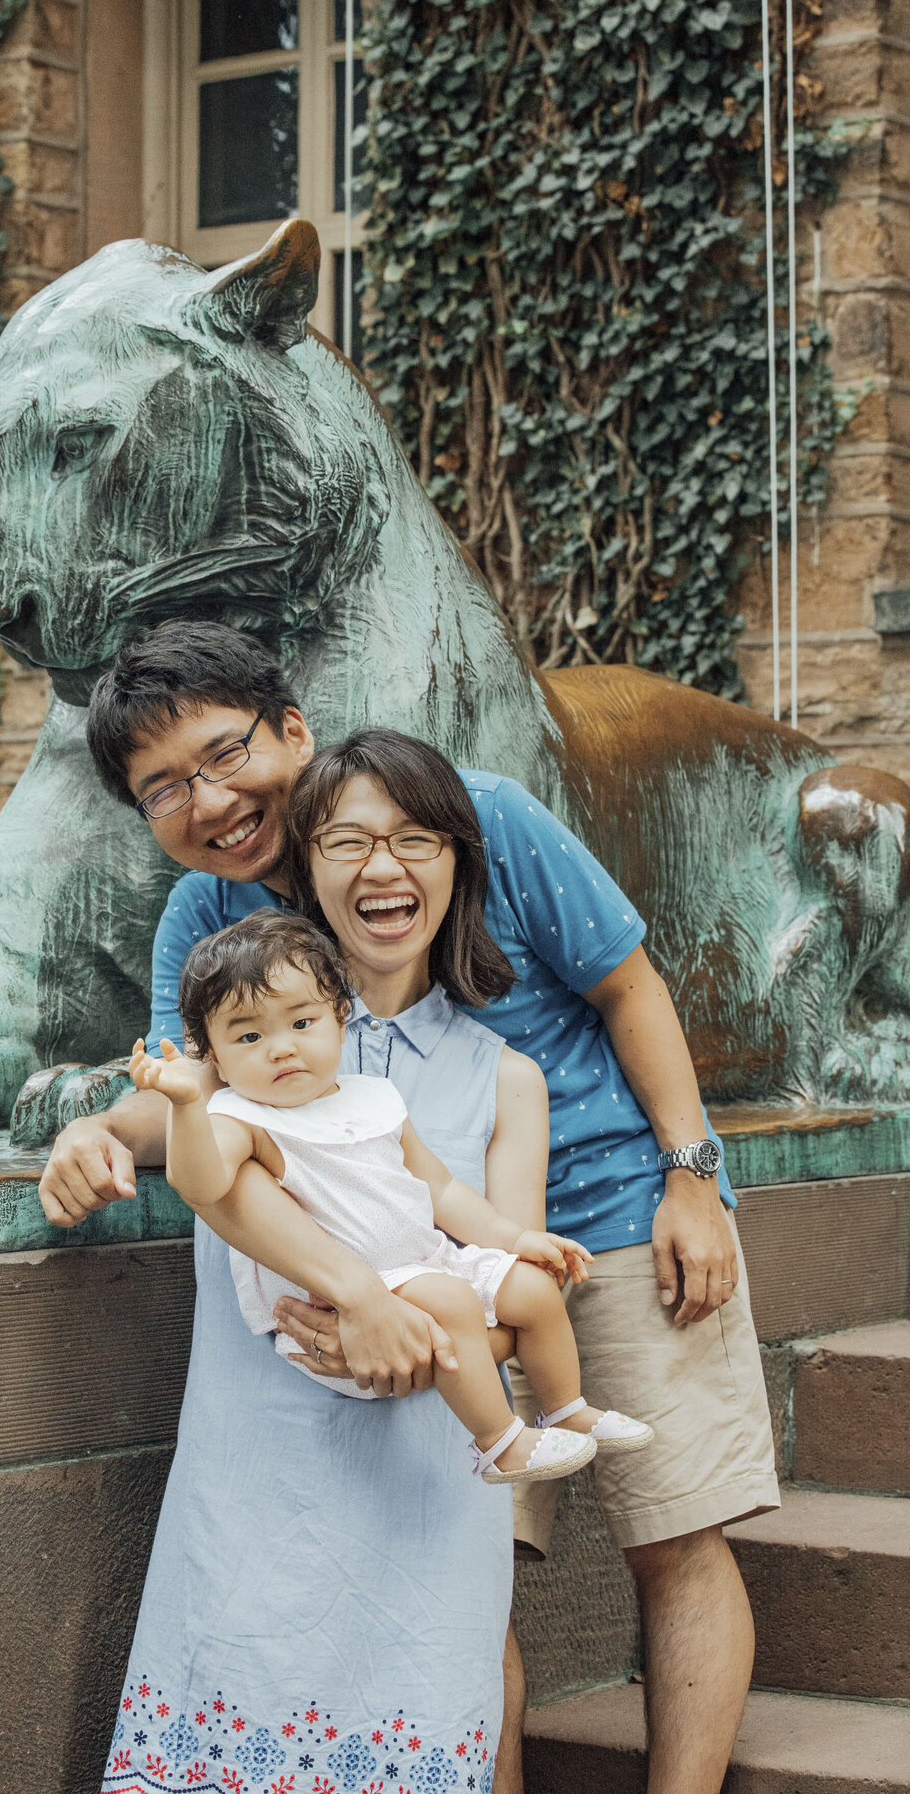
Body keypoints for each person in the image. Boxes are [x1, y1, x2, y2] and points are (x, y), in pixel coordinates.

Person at [43, 622, 780, 1794]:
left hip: (612, 1212)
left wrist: (691, 1174)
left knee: (674, 1531)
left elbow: (629, 985)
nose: (212, 800)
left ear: (293, 730)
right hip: (411, 1256)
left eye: (226, 754)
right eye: (167, 787)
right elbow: (191, 1097)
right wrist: (92, 1129)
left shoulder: (466, 816)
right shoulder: (209, 918)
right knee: (469, 1581)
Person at [132, 906, 654, 1482]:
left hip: (424, 1260)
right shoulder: (241, 1117)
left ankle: (566, 1410)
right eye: (249, 1036)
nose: (281, 1048)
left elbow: (441, 1187)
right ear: (214, 1055)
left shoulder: (373, 1097)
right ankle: (499, 1442)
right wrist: (186, 1105)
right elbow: (201, 1184)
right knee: (453, 1301)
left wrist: (514, 1239)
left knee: (532, 1289)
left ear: (340, 1016)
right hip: (341, 1302)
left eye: (301, 1022)